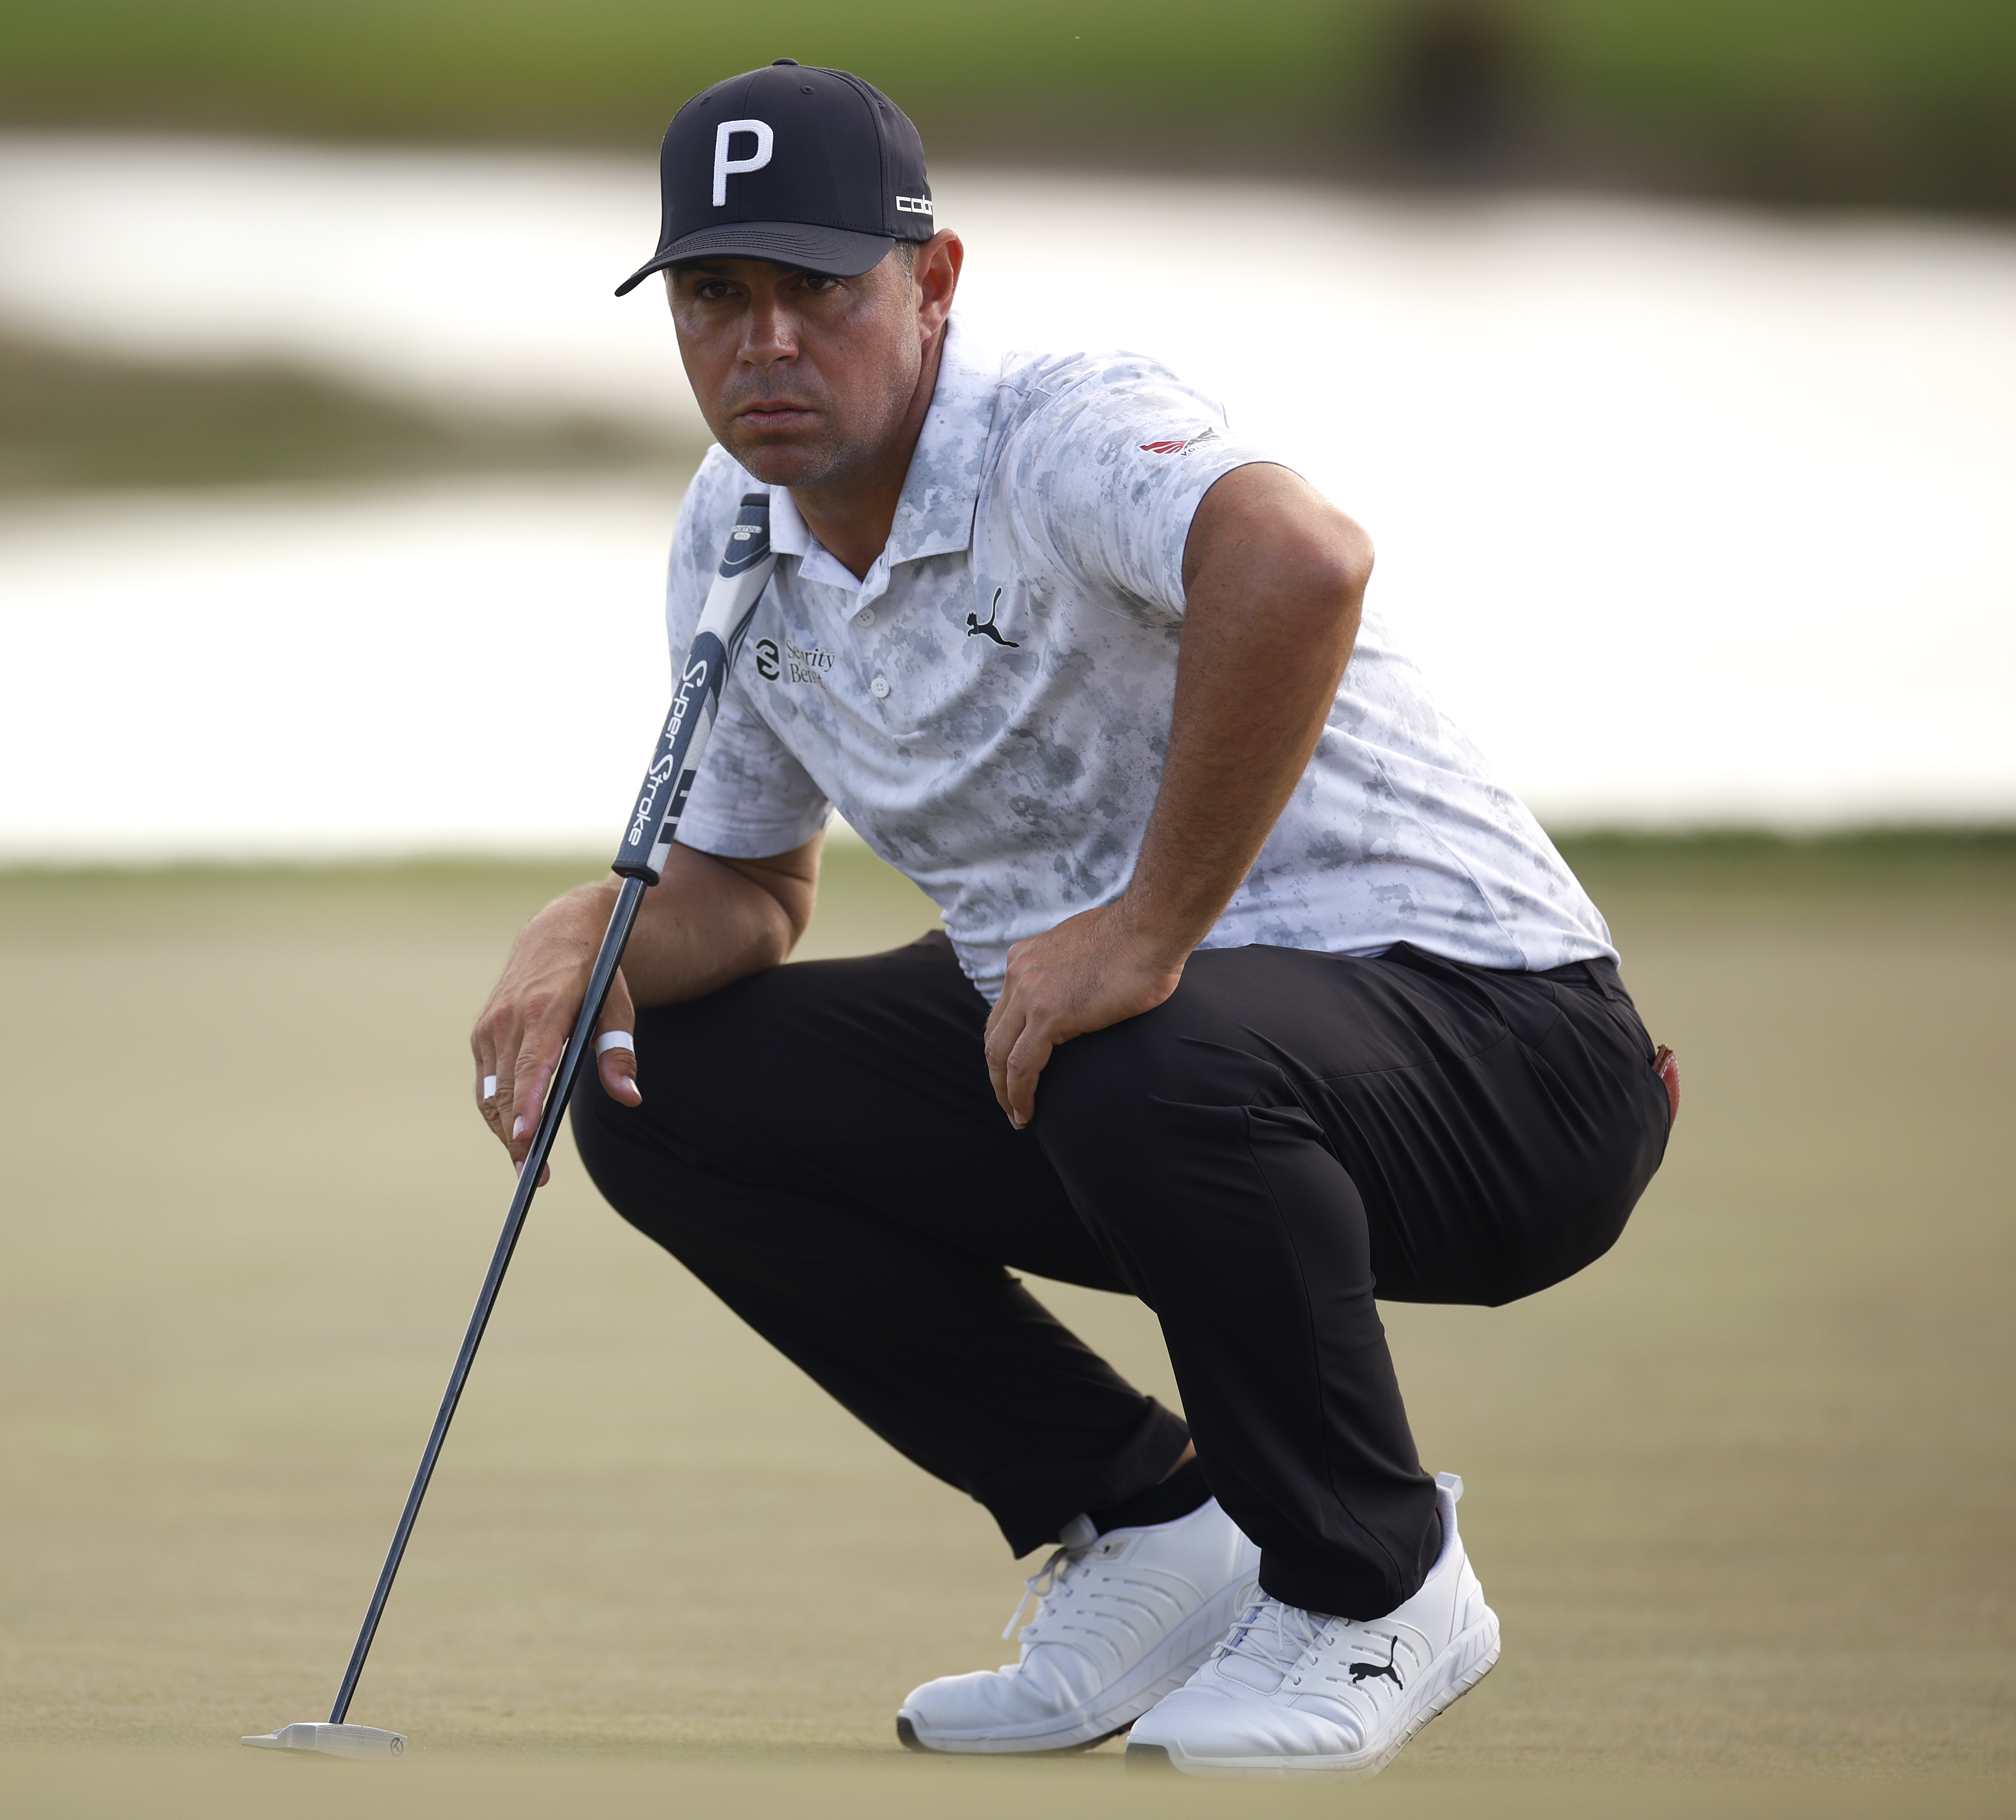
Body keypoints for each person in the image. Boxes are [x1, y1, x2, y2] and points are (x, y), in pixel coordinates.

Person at [469, 59, 1673, 1778]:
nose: (764, 345)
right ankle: (1155, 1524)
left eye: (818, 289)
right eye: (714, 297)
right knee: (654, 1082)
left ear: (932, 279)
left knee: (1130, 1032)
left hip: (1509, 1056)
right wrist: (580, 931)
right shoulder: (733, 529)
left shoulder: (1061, 422)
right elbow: (751, 893)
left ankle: (1374, 1581)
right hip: (1160, 1071)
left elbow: (1301, 559)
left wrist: (1143, 926)